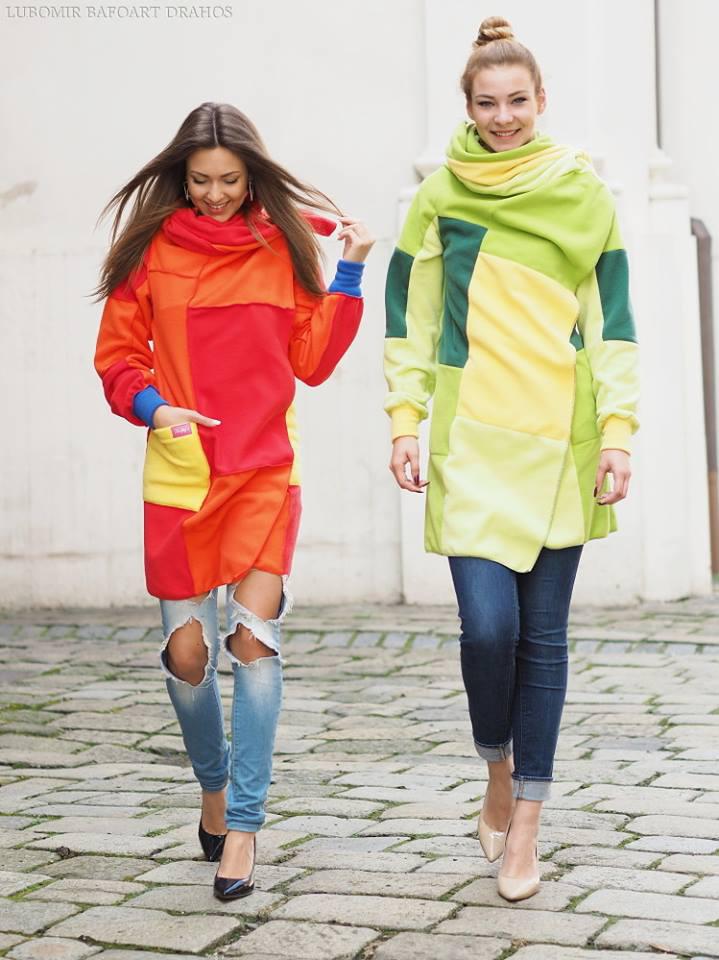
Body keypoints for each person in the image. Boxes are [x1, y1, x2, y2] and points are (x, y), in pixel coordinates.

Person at [384, 17, 638, 902]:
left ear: (540, 101)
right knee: (487, 631)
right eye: (487, 103)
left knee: (543, 640)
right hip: (471, 446)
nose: (502, 117)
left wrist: (617, 433)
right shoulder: (439, 198)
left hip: (561, 446)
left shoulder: (583, 195)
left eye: (516, 101)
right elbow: (409, 316)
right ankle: (495, 766)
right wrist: (404, 419)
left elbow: (612, 325)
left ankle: (525, 822)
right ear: (467, 106)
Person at [94, 101, 373, 900]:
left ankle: (243, 827)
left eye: (228, 180)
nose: (214, 194)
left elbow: (311, 361)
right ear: (179, 178)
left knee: (253, 643)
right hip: (182, 475)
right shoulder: (151, 251)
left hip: (264, 472)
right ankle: (212, 788)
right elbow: (117, 358)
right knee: (187, 656)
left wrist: (349, 269)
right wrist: (156, 408)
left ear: (252, 176)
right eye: (199, 180)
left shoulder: (283, 246)